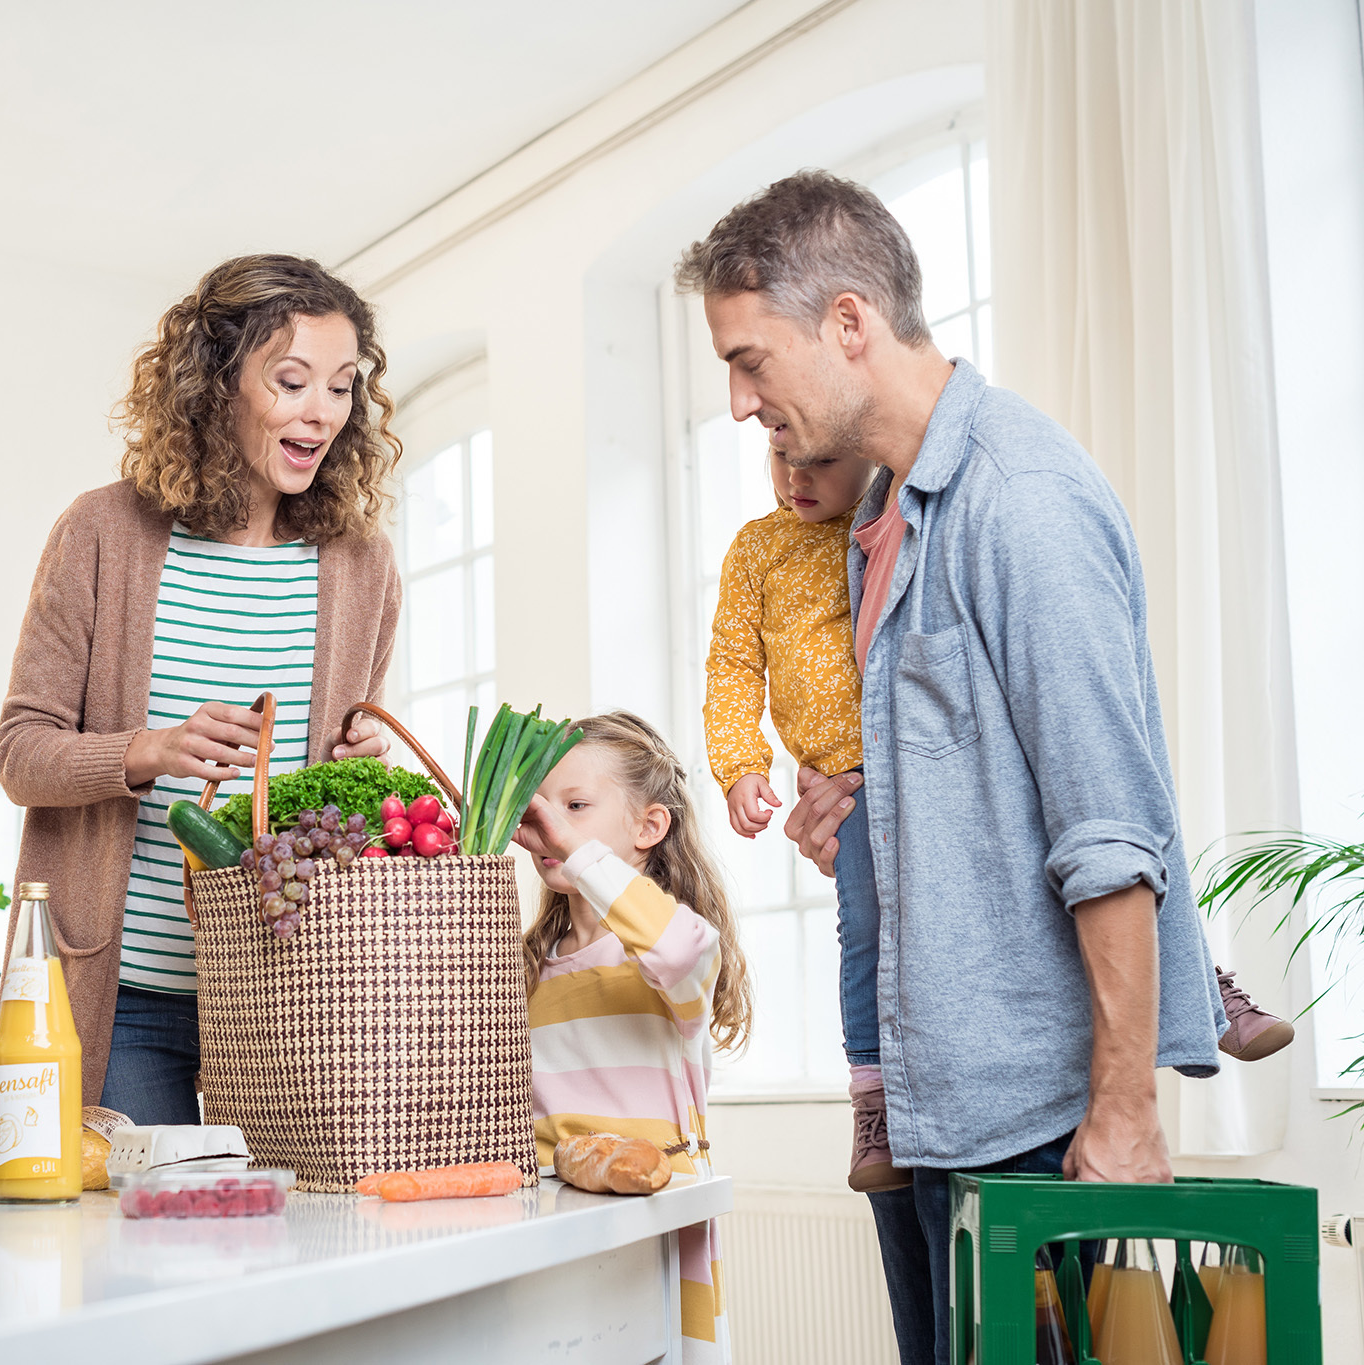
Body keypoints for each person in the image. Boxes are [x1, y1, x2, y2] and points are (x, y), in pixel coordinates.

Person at [673, 170, 1248, 1363]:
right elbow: (957, 783)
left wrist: (1127, 1112)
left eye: (748, 360)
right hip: (932, 1101)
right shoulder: (876, 517)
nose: (738, 404)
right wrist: (861, 813)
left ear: (845, 323)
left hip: (1037, 1125)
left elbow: (1108, 828)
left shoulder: (1018, 503)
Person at [0, 254, 404, 1124]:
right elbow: (21, 752)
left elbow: (331, 801)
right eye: (291, 381)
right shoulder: (105, 532)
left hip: (286, 989)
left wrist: (365, 762)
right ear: (217, 384)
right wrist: (147, 751)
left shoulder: (362, 565)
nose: (321, 412)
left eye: (342, 386)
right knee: (142, 1250)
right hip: (126, 994)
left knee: (294, 1248)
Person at [516, 712, 752, 1365]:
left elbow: (681, 946)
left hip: (652, 1238)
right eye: (542, 804)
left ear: (649, 827)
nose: (550, 823)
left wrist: (575, 849)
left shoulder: (666, 953)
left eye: (577, 805)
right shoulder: (530, 963)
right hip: (556, 1239)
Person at [703, 445, 902, 1192]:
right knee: (865, 928)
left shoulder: (883, 522)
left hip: (912, 760)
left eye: (818, 462)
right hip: (841, 781)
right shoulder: (761, 547)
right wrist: (741, 764)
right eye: (781, 458)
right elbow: (731, 665)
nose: (795, 479)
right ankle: (873, 1096)